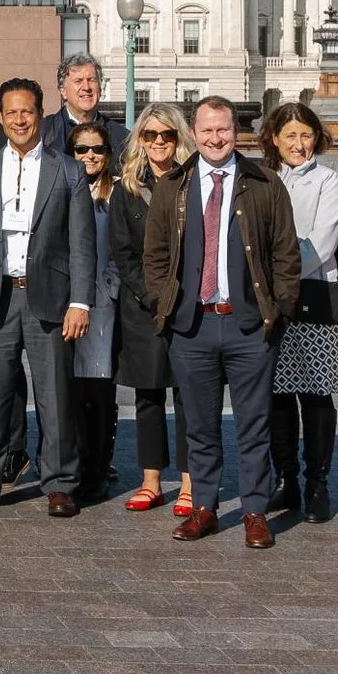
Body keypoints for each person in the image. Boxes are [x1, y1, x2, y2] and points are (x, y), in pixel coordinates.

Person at [143, 95, 299, 549]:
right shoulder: (175, 185)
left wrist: (279, 310)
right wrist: (164, 304)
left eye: (224, 130)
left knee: (254, 424)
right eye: (208, 130)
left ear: (237, 132)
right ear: (194, 133)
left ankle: (254, 510)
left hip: (248, 325)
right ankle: (205, 507)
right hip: (191, 326)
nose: (216, 138)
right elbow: (154, 256)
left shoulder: (264, 183)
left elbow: (285, 254)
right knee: (200, 425)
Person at [0, 77, 94, 517]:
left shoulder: (67, 170)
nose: (19, 119)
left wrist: (80, 302)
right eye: (11, 111)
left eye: (27, 111)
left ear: (40, 113)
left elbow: (82, 243)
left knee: (55, 399)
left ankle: (59, 483)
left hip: (49, 298)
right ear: (1, 114)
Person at [261, 99, 338, 522]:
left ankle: (317, 483)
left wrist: (278, 272)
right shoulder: (262, 177)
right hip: (270, 299)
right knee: (276, 394)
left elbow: (322, 241)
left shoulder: (328, 180)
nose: (299, 144)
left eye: (306, 135)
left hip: (313, 293)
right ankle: (285, 479)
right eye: (290, 135)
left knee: (315, 394)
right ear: (274, 138)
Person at [112, 103, 192, 515]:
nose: (159, 142)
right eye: (150, 135)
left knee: (189, 396)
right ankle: (150, 480)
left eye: (167, 135)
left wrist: (181, 295)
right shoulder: (127, 187)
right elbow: (122, 253)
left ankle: (190, 483)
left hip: (188, 303)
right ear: (140, 140)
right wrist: (151, 295)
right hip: (142, 306)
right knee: (148, 395)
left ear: (179, 138)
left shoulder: (194, 182)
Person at [63, 120, 120, 503]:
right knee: (68, 390)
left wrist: (108, 290)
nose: (89, 156)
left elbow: (122, 249)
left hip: (101, 305)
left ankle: (97, 468)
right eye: (81, 150)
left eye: (96, 149)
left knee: (98, 389)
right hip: (63, 304)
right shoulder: (62, 186)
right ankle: (71, 463)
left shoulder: (117, 194)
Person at [42, 53, 126, 161]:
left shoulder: (122, 138)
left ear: (100, 88)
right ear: (63, 91)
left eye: (91, 80)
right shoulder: (42, 133)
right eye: (78, 81)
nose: (86, 87)